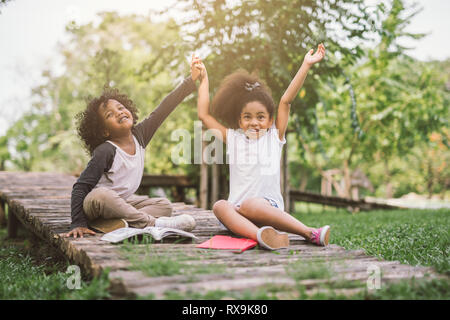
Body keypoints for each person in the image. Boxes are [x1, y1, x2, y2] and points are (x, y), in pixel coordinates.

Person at [194, 44, 330, 250]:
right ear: (239, 121)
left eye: (260, 117)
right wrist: (204, 79)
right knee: (220, 206)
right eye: (247, 117)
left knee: (251, 203)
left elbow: (285, 101)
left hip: (267, 209)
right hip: (239, 217)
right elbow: (204, 115)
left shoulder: (273, 137)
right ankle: (261, 236)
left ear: (269, 121)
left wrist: (306, 65)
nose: (254, 122)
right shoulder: (233, 138)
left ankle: (309, 232)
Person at [65, 57, 202, 238]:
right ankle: (153, 223)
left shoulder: (140, 136)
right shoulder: (106, 150)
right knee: (102, 195)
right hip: (96, 205)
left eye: (121, 107)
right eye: (110, 114)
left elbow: (164, 108)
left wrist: (190, 81)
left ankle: (115, 224)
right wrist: (78, 223)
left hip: (122, 204)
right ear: (104, 131)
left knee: (164, 205)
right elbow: (80, 187)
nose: (119, 112)